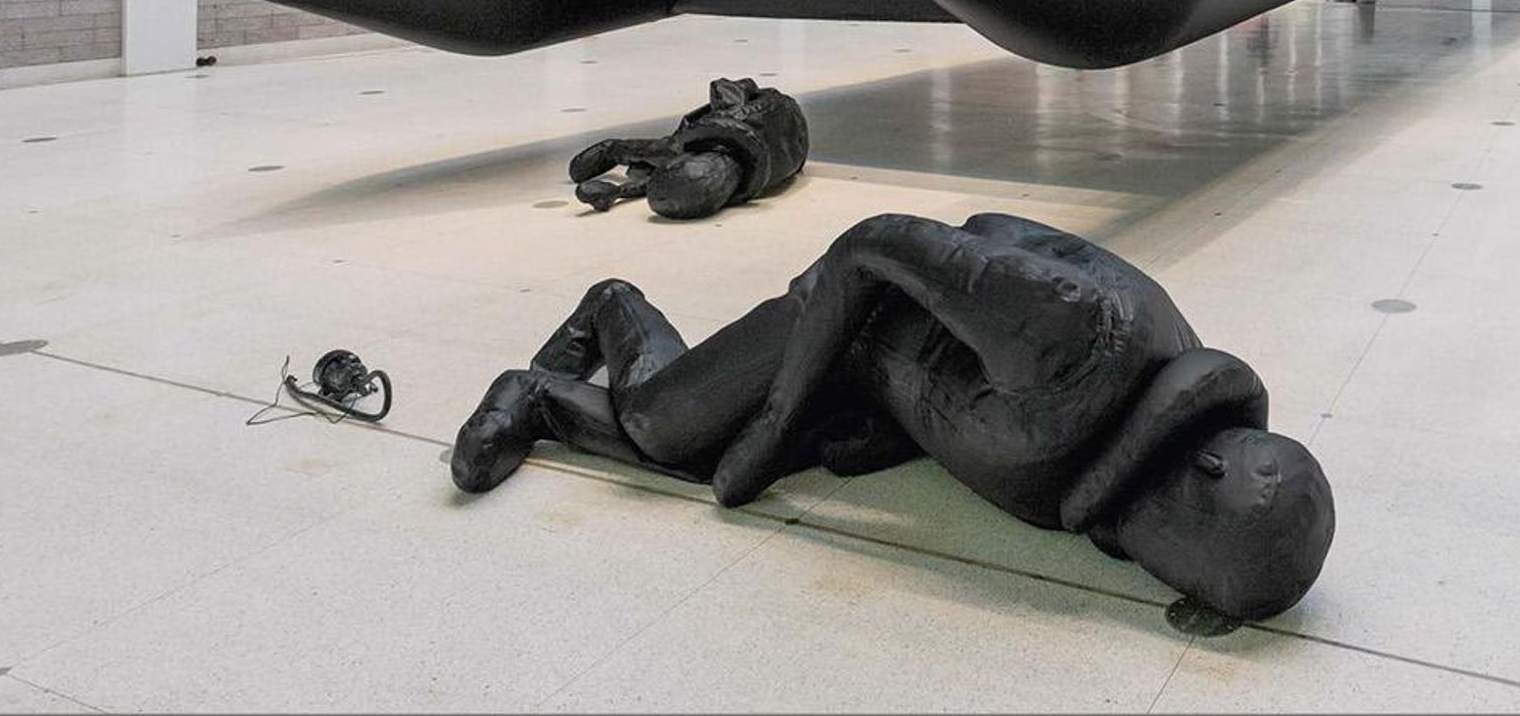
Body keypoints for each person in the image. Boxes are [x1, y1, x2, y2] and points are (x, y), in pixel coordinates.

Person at [449, 212, 1337, 623]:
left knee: (712, 464)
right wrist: (777, 421)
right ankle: (558, 370)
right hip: (847, 316)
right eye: (1185, 571)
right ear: (1207, 466)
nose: (1162, 582)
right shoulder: (1080, 342)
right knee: (664, 430)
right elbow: (869, 245)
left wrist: (897, 431)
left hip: (892, 381)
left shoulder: (1123, 446)